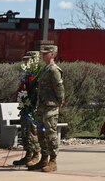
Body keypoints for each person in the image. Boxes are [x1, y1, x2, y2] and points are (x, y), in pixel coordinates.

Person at [29, 44, 65, 173]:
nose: (42, 55)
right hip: (42, 106)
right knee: (40, 132)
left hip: (50, 106)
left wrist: (60, 101)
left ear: (52, 54)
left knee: (51, 133)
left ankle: (53, 161)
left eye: (45, 53)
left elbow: (59, 88)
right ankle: (44, 159)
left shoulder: (54, 70)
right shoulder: (45, 69)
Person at [12, 50, 41, 167]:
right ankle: (28, 153)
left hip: (32, 108)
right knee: (25, 132)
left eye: (28, 60)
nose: (25, 62)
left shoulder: (36, 75)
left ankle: (36, 154)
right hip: (25, 107)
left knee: (32, 132)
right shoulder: (27, 74)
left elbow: (37, 92)